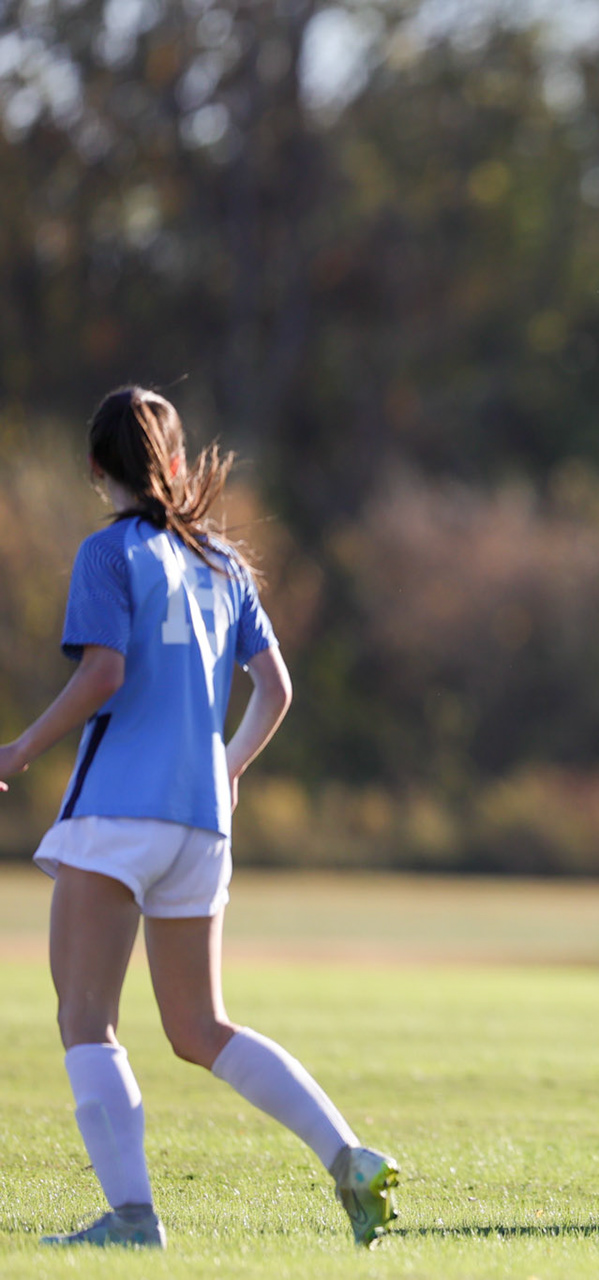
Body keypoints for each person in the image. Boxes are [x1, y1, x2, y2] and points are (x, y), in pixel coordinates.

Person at [0, 387, 401, 1249]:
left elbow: (103, 674)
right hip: (201, 825)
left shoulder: (109, 554)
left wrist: (19, 750)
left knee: (84, 1019)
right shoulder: (227, 563)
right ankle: (350, 1156)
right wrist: (223, 772)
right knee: (200, 1027)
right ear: (177, 466)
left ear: (95, 470)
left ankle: (132, 1217)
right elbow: (277, 690)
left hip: (116, 817)